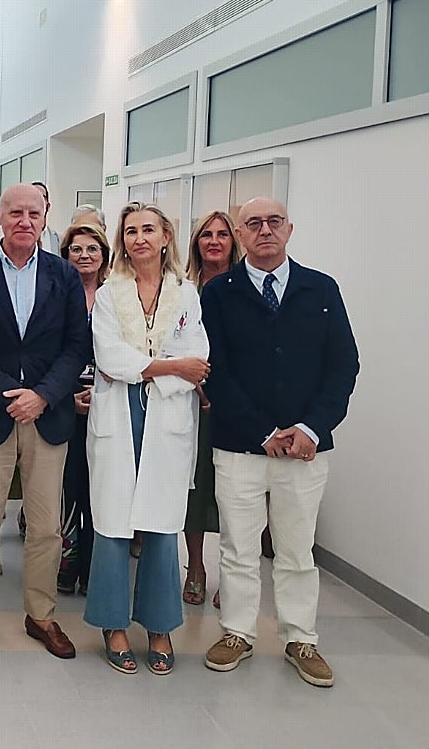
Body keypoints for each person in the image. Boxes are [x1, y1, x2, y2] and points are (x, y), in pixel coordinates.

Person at [202, 197, 358, 688]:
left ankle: (300, 638)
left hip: (304, 449)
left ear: (289, 229)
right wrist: (262, 432)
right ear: (240, 235)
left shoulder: (321, 289)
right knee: (238, 548)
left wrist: (311, 428)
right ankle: (237, 633)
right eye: (253, 223)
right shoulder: (219, 294)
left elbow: (343, 366)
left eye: (274, 222)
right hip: (240, 447)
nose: (265, 230)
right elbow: (215, 371)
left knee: (296, 550)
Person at [0, 183, 90, 659]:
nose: (24, 221)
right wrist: (11, 394)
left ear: (45, 218)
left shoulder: (64, 274)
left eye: (33, 213)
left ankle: (41, 614)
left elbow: (76, 345)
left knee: (46, 527)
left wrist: (43, 395)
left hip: (48, 415)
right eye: (15, 213)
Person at [84, 202, 209, 675]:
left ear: (165, 237)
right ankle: (112, 624)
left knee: (162, 522)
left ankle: (159, 625)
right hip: (119, 415)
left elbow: (198, 355)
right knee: (113, 522)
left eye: (148, 230)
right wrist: (172, 367)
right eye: (131, 230)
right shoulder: (109, 293)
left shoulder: (186, 292)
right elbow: (110, 357)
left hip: (166, 416)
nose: (139, 238)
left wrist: (156, 370)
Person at [181, 210, 242, 607]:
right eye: (207, 234)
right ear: (196, 242)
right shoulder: (183, 289)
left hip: (237, 404)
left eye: (222, 234)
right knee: (196, 486)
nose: (214, 241)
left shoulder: (245, 288)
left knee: (235, 491)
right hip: (191, 401)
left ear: (233, 242)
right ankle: (197, 568)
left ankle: (231, 573)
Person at [54, 221, 110, 596]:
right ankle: (68, 559)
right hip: (64, 400)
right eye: (76, 249)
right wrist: (66, 396)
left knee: (100, 489)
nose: (84, 255)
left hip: (108, 403)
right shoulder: (55, 295)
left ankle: (94, 566)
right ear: (66, 255)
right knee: (69, 485)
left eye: (92, 249)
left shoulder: (116, 296)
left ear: (104, 255)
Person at [34, 181, 62, 254]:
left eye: (41, 196)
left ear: (48, 206)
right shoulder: (17, 239)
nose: (36, 200)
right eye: (32, 196)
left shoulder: (59, 240)